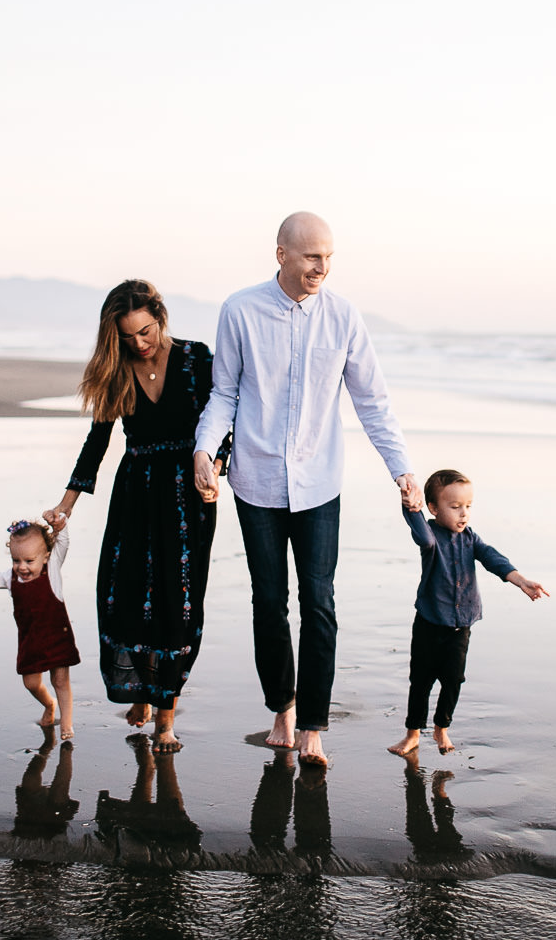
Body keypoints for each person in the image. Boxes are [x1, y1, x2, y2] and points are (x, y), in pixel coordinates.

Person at [193, 211, 421, 766]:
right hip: (257, 480)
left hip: (319, 483)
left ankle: (313, 725)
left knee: (319, 603)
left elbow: (372, 401)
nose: (322, 267)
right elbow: (224, 392)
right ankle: (282, 710)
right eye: (311, 256)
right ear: (281, 255)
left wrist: (402, 468)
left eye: (328, 257)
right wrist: (203, 449)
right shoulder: (240, 310)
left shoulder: (343, 318)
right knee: (269, 603)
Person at [44, 279, 227, 753]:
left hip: (188, 496)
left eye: (146, 332)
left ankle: (165, 716)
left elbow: (224, 419)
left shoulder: (197, 358)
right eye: (128, 337)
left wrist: (217, 466)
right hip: (135, 495)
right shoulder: (118, 370)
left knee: (176, 602)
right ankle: (144, 694)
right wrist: (66, 504)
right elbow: (97, 442)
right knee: (125, 595)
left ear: (161, 319)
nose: (140, 343)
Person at [387, 468, 547, 758]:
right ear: (434, 508)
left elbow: (492, 557)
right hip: (429, 624)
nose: (464, 514)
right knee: (420, 681)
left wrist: (520, 579)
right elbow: (419, 530)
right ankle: (412, 734)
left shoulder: (471, 538)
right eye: (455, 507)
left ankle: (441, 727)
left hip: (461, 626)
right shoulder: (432, 538)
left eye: (468, 507)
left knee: (453, 680)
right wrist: (410, 505)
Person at [0, 518, 80, 741]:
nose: (22, 567)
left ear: (46, 556)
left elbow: (63, 545)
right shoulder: (11, 578)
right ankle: (49, 704)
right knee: (30, 683)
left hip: (57, 637)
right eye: (16, 560)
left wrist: (62, 526)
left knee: (60, 681)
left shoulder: (53, 570)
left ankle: (66, 724)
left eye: (29, 560)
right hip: (30, 641)